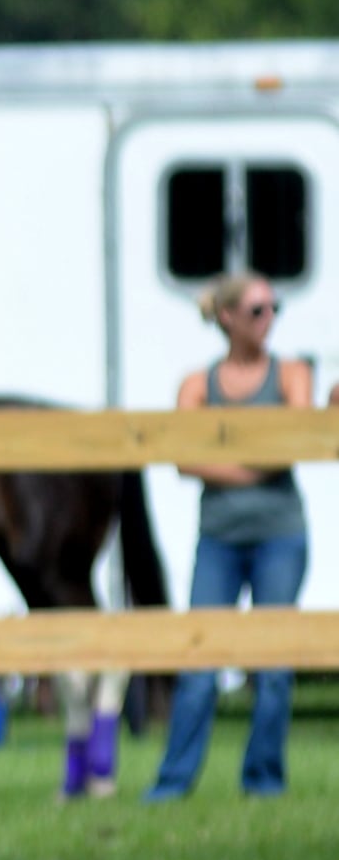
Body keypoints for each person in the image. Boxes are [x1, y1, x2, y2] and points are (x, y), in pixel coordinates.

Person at [148, 268, 314, 800]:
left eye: (273, 309)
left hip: (279, 535)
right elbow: (183, 459)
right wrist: (252, 466)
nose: (269, 320)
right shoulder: (197, 384)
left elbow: (293, 442)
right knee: (200, 659)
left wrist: (227, 461)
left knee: (273, 663)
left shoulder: (291, 374)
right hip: (218, 538)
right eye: (258, 310)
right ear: (227, 318)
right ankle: (173, 783)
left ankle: (264, 781)